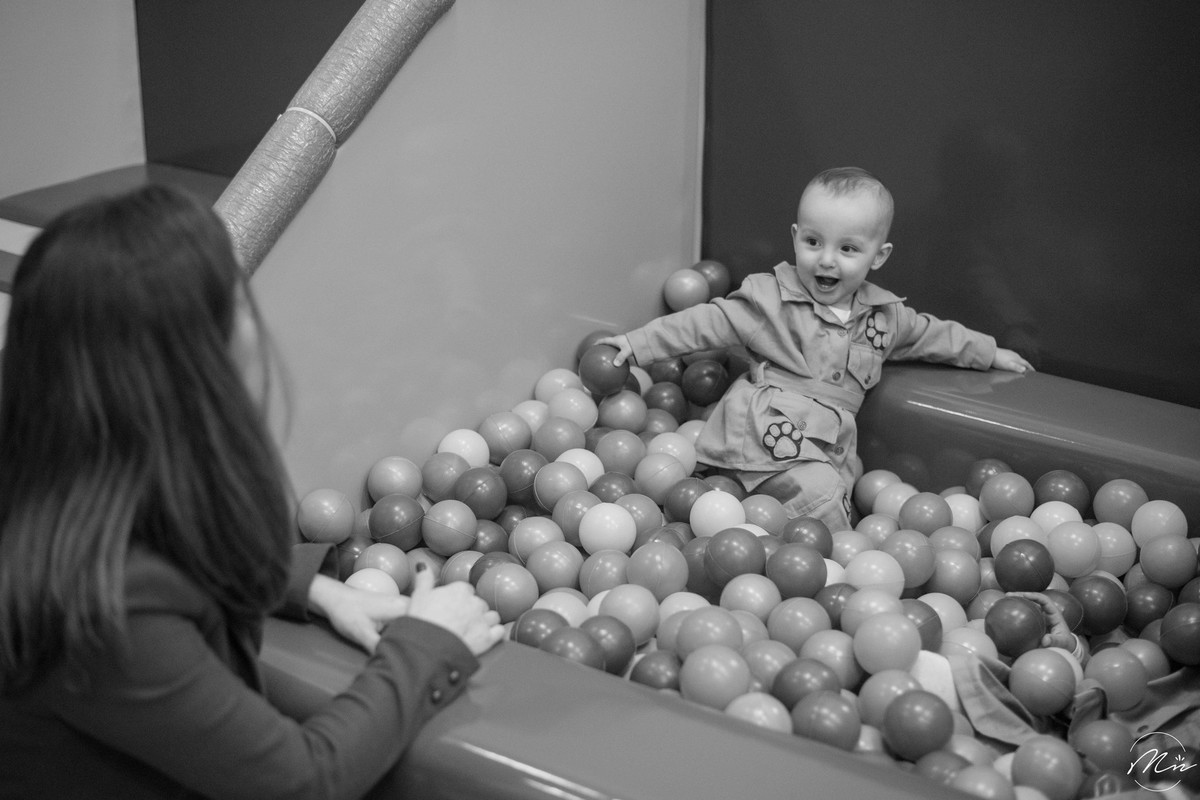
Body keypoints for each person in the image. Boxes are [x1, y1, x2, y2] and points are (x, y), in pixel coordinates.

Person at [0, 185, 505, 799]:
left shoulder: (60, 469)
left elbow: (151, 546)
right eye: (236, 301)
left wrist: (308, 587)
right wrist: (429, 643)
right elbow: (301, 784)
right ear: (192, 359)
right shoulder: (109, 609)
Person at [600, 167, 1034, 532]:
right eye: (813, 242)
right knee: (821, 498)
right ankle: (836, 567)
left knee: (827, 495)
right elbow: (704, 322)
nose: (826, 260)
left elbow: (934, 336)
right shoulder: (770, 299)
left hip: (829, 449)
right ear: (795, 237)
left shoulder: (885, 316)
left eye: (847, 249)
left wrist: (989, 352)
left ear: (877, 257)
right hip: (764, 434)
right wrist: (635, 345)